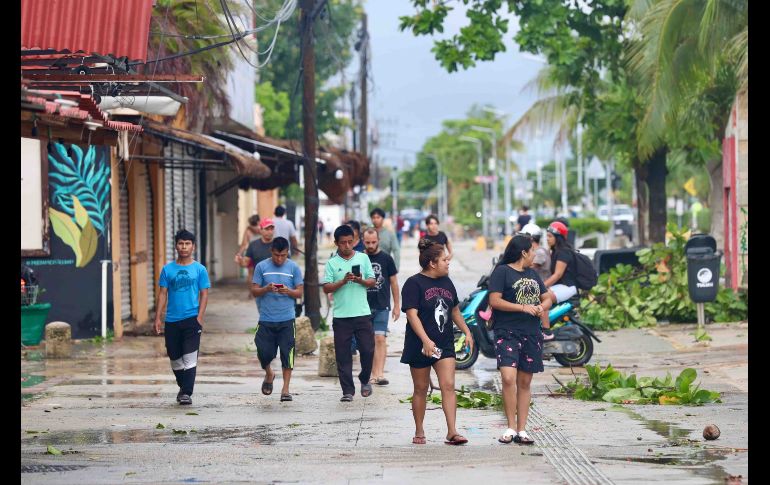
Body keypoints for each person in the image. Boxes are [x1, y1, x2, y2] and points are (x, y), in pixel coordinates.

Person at [401, 239, 474, 445]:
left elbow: (455, 310)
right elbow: (412, 315)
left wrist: (467, 332)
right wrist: (425, 340)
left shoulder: (447, 282)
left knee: (448, 385)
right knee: (421, 388)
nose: (447, 262)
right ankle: (419, 430)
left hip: (444, 343)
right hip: (420, 345)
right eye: (444, 259)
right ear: (432, 263)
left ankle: (452, 431)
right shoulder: (413, 283)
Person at [488, 235, 550, 445]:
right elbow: (494, 301)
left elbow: (547, 296)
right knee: (508, 378)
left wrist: (543, 306)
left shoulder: (533, 273)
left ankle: (522, 430)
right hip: (507, 332)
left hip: (531, 333)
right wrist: (523, 307)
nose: (535, 254)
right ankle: (510, 426)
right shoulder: (502, 272)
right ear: (523, 252)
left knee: (524, 382)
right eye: (532, 251)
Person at [154, 229, 211, 406]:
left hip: (191, 319)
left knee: (189, 357)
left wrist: (199, 317)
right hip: (171, 320)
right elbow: (163, 294)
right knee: (175, 358)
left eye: (187, 243)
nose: (184, 247)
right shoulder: (167, 269)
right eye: (181, 243)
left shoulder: (200, 269)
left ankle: (186, 392)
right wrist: (158, 317)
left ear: (193, 247)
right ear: (176, 245)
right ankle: (183, 386)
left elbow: (204, 294)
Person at [323, 225, 377, 402]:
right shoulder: (331, 263)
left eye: (349, 242)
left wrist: (359, 279)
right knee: (343, 354)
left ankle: (364, 379)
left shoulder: (363, 258)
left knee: (368, 350)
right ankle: (347, 390)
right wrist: (343, 281)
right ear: (336, 244)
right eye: (342, 243)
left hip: (362, 313)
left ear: (355, 241)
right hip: (341, 316)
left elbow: (372, 281)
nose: (347, 246)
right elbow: (326, 288)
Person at [251, 237, 304, 402]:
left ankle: (285, 390)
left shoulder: (294, 268)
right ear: (271, 252)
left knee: (287, 354)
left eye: (282, 255)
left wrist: (288, 291)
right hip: (266, 318)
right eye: (276, 255)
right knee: (263, 351)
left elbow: (299, 293)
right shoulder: (261, 267)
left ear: (288, 252)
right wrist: (266, 288)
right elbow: (254, 291)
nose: (279, 259)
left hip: (287, 318)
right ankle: (269, 373)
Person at [363, 228, 400, 386]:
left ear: (378, 240)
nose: (371, 245)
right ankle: (372, 374)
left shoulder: (386, 259)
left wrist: (397, 305)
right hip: (363, 307)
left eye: (373, 242)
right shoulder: (360, 258)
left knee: (380, 338)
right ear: (363, 241)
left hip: (382, 305)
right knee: (368, 342)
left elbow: (394, 283)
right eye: (367, 242)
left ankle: (380, 373)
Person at [518, 223, 555, 340]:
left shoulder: (538, 252)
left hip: (540, 286)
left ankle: (546, 330)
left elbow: (526, 266)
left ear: (531, 238)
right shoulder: (535, 250)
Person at [543, 221, 578, 304]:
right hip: (558, 286)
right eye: (547, 236)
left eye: (550, 236)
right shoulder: (555, 251)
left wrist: (541, 286)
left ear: (558, 238)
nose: (547, 238)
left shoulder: (564, 252)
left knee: (542, 297)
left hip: (567, 287)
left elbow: (557, 274)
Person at [239, 218, 276, 293]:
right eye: (267, 229)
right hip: (260, 286)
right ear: (261, 230)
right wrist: (240, 261)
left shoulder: (279, 243)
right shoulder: (253, 245)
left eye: (272, 229)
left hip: (276, 283)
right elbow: (245, 263)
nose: (270, 232)